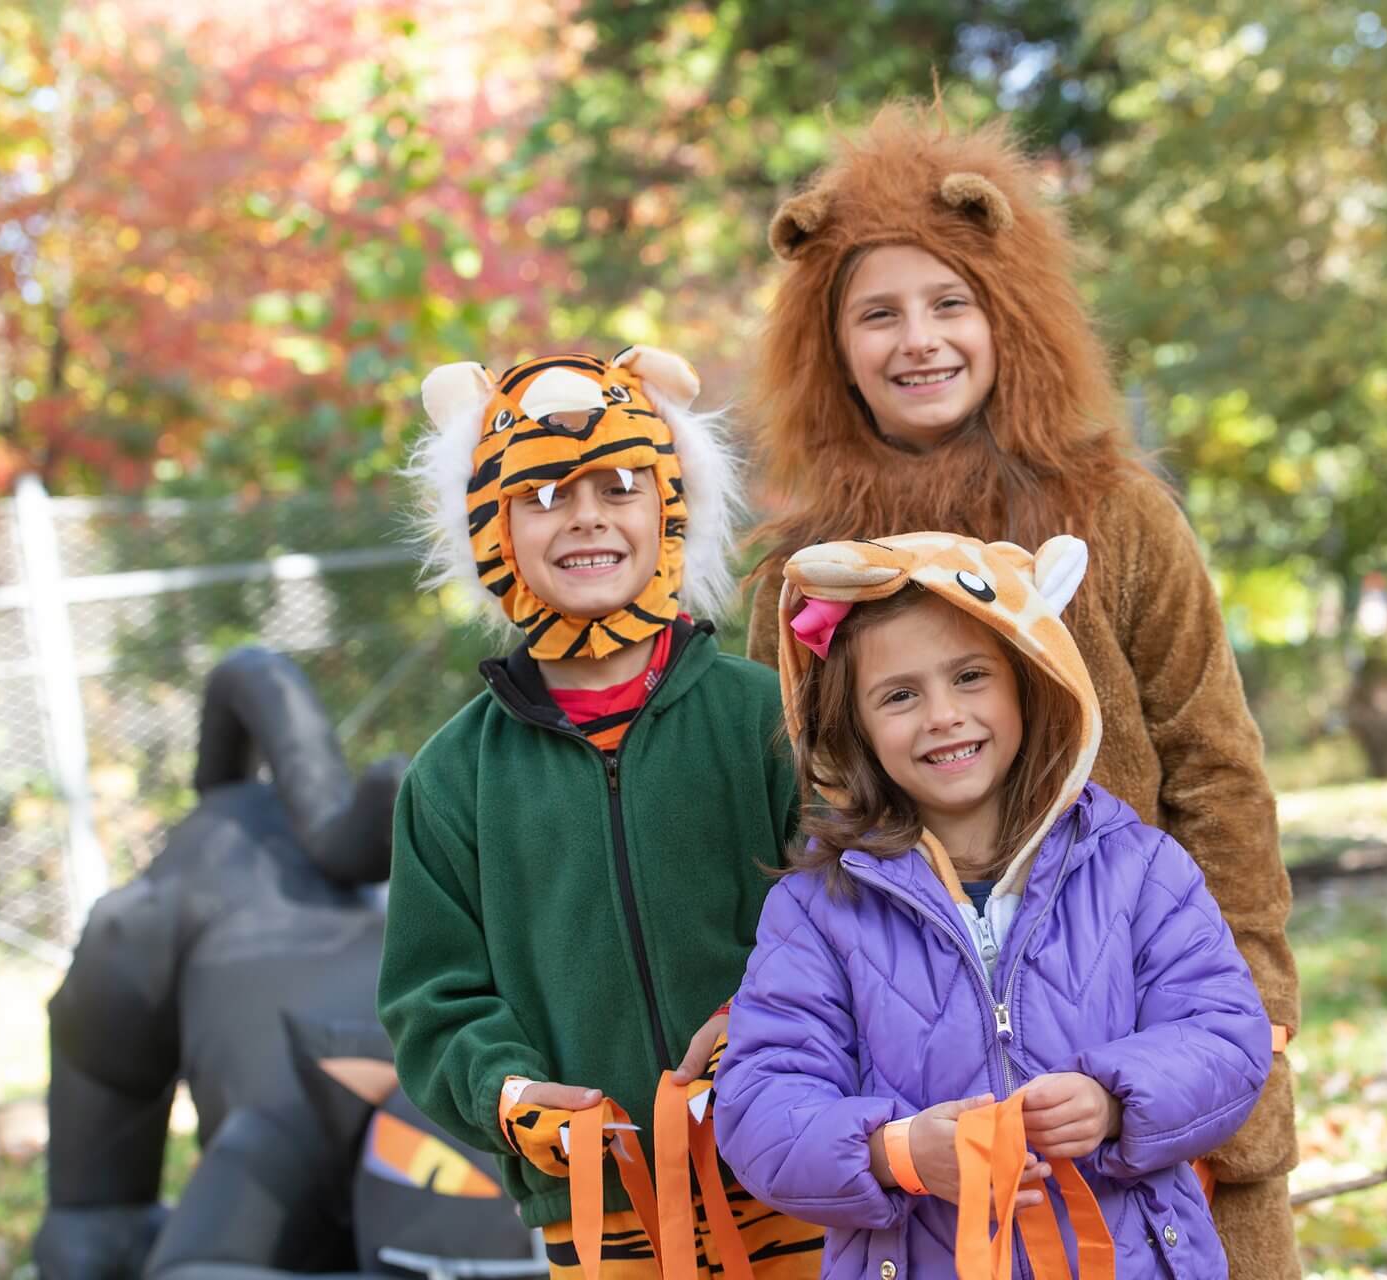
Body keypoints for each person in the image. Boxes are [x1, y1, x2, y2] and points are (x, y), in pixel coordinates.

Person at [742, 105, 1303, 1278]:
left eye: (950, 302)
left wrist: (1250, 1004)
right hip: (919, 1102)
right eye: (877, 313)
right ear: (830, 343)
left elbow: (1215, 763)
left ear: (1006, 313)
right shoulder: (798, 567)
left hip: (1134, 1021)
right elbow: (784, 802)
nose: (919, 340)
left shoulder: (1118, 510)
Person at [715, 531, 1272, 1279]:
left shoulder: (1139, 870)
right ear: (853, 729)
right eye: (900, 695)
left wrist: (1113, 1100)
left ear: (1030, 681)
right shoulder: (816, 912)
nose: (943, 715)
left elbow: (1228, 1038)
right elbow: (758, 1110)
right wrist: (899, 1152)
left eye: (971, 676)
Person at [379, 346, 822, 1277]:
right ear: (489, 526)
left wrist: (768, 1019)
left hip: (799, 1161)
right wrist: (506, 1092)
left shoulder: (766, 718)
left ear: (669, 504)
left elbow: (845, 908)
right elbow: (432, 999)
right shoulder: (453, 777)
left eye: (618, 485)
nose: (584, 518)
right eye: (542, 496)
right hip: (600, 1203)